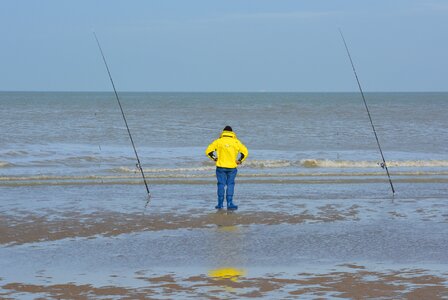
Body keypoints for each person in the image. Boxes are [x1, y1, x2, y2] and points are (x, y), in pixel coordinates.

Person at [205, 126, 248, 210]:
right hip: (232, 167)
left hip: (221, 166)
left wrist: (214, 158)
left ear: (223, 132)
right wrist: (239, 160)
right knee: (230, 184)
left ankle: (220, 204)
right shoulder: (236, 142)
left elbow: (208, 151)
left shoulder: (218, 141)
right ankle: (229, 203)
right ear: (232, 132)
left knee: (221, 184)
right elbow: (245, 152)